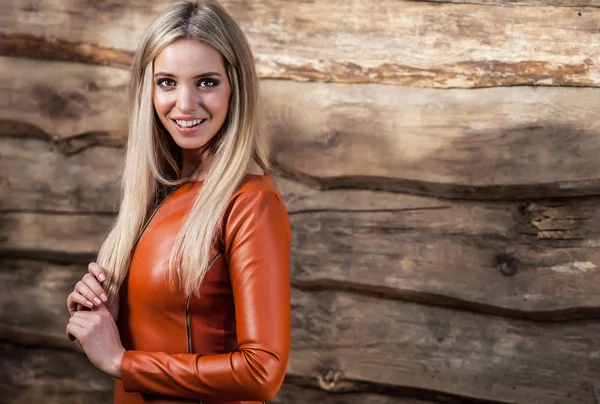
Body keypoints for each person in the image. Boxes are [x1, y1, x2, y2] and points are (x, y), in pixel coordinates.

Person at [65, 1, 292, 403]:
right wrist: (112, 311)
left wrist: (122, 362)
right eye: (167, 82)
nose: (184, 104)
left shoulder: (251, 203)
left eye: (206, 82)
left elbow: (262, 371)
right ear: (147, 89)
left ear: (235, 87)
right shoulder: (159, 190)